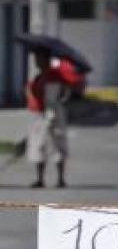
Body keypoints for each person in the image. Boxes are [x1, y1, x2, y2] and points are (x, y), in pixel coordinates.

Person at [26, 49, 71, 188]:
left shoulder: (53, 77)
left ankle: (60, 178)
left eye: (39, 59)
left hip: (51, 112)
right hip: (41, 113)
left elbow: (55, 96)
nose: (37, 62)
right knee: (39, 144)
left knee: (57, 143)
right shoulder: (40, 77)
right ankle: (40, 178)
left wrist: (51, 109)